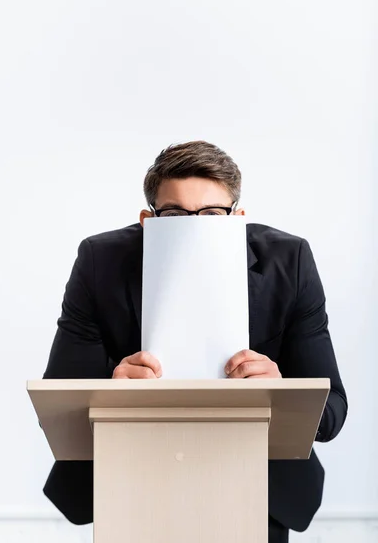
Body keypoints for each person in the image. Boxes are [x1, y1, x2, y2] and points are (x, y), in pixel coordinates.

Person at [42, 140, 347, 543]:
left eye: (212, 214)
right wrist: (112, 388)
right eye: (174, 214)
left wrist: (281, 388)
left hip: (257, 479)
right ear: (148, 220)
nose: (194, 226)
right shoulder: (100, 261)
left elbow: (332, 414)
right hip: (132, 471)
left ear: (237, 217)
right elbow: (59, 400)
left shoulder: (289, 261)